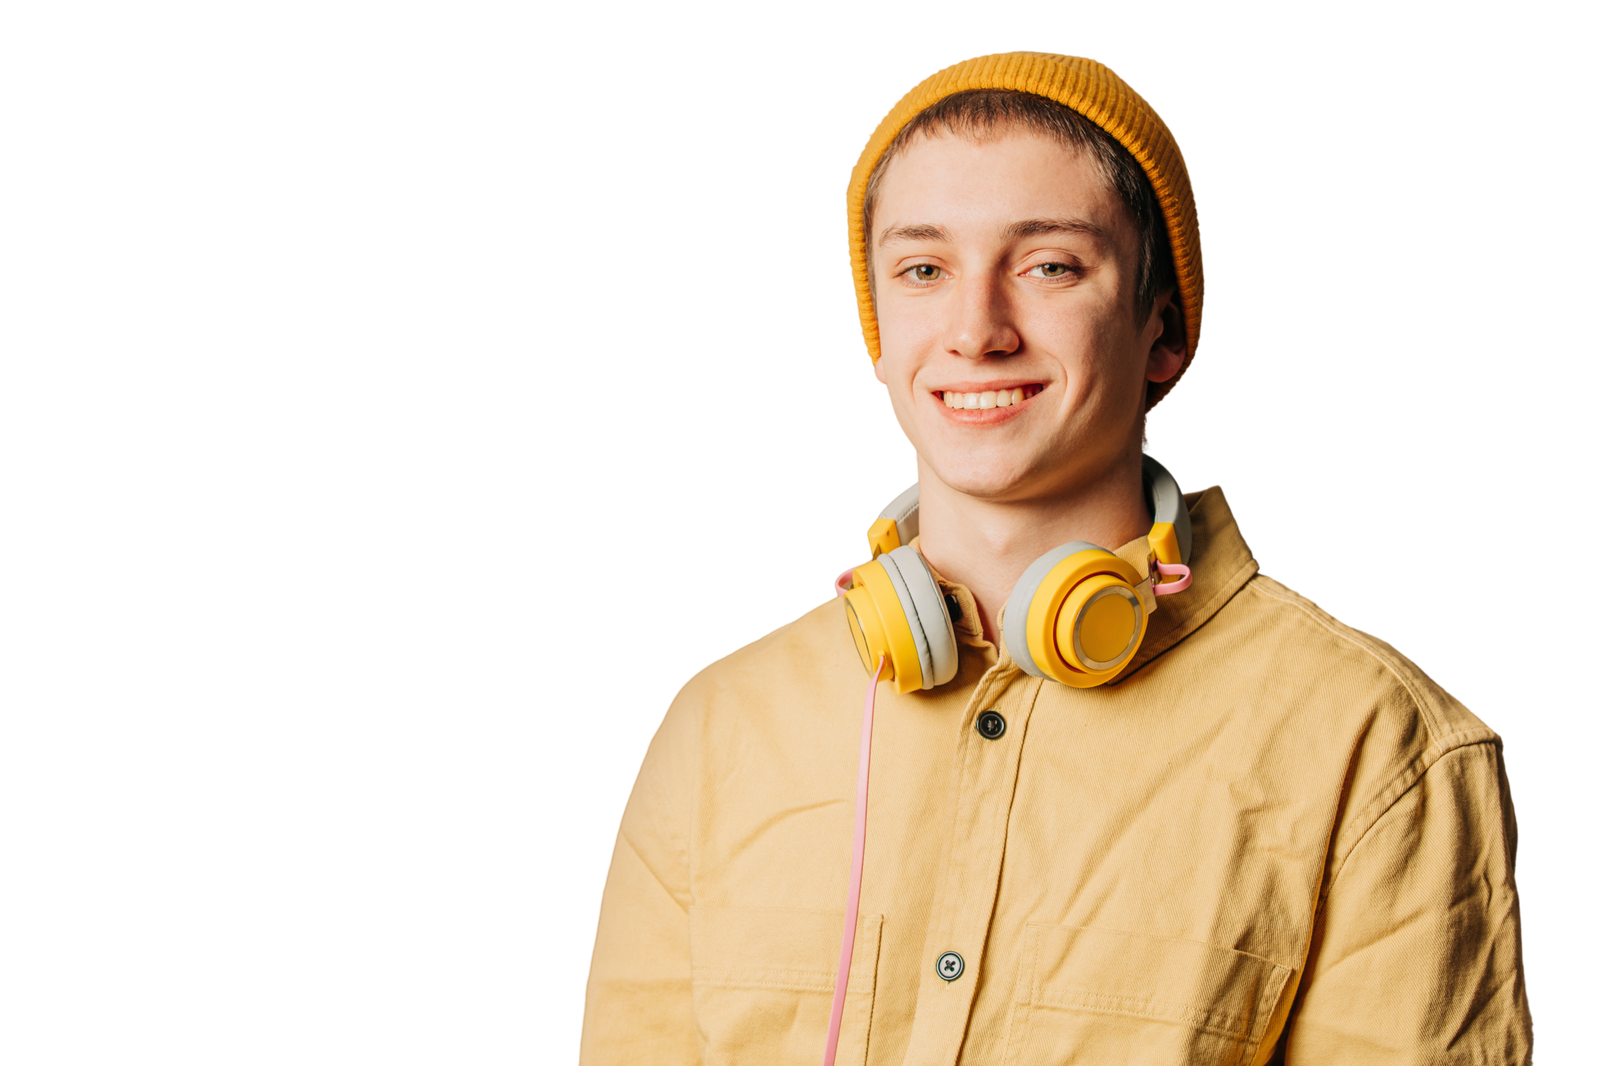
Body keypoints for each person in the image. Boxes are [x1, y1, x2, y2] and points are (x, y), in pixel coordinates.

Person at [580, 51, 1532, 1064]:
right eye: (922, 269)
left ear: (1159, 330)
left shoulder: (1378, 746)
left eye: (1048, 265)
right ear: (877, 333)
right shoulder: (719, 725)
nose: (976, 330)